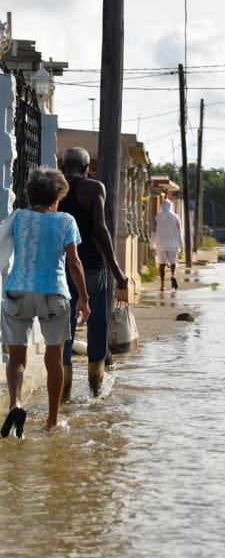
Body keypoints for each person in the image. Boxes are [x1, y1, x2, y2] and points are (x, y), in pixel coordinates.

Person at [1, 167, 91, 436]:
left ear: (31, 194)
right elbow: (74, 262)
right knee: (54, 358)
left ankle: (16, 404)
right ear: (57, 196)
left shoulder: (18, 217)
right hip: (55, 295)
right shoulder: (66, 221)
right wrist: (84, 299)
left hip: (18, 293)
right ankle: (52, 421)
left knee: (17, 358)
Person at [58, 147, 130, 399]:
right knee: (96, 326)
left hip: (64, 268)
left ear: (62, 166)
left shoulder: (53, 188)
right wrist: (118, 271)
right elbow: (100, 228)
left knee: (63, 329)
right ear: (87, 168)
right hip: (94, 268)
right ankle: (95, 390)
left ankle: (63, 393)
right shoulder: (93, 188)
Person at [153, 198, 183, 291]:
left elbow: (153, 231)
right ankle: (172, 275)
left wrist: (152, 243)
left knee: (161, 263)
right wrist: (181, 244)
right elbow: (179, 231)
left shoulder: (157, 217)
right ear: (171, 206)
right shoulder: (176, 217)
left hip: (160, 244)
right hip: (172, 244)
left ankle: (162, 285)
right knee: (173, 261)